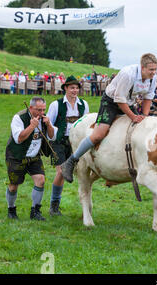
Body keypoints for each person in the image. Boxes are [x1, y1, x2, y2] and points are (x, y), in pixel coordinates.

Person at [61, 53, 157, 183]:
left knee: (141, 128)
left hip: (128, 102)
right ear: (142, 67)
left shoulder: (153, 78)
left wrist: (145, 117)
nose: (154, 72)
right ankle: (71, 160)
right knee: (99, 134)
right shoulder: (128, 74)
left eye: (155, 69)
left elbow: (148, 97)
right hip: (111, 102)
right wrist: (133, 116)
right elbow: (119, 99)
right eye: (151, 70)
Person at [5, 97, 57, 220]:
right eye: (38, 110)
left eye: (44, 109)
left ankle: (35, 211)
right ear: (30, 107)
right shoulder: (19, 118)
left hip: (34, 156)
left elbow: (52, 136)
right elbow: (19, 138)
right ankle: (11, 209)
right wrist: (31, 126)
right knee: (13, 185)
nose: (42, 113)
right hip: (16, 156)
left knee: (41, 180)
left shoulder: (44, 118)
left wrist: (49, 124)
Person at [47, 76, 89, 216]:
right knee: (61, 172)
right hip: (60, 141)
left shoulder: (83, 104)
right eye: (72, 87)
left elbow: (86, 124)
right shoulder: (56, 104)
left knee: (83, 172)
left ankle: (86, 205)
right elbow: (49, 124)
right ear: (65, 88)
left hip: (77, 142)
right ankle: (54, 205)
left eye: (77, 88)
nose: (74, 90)